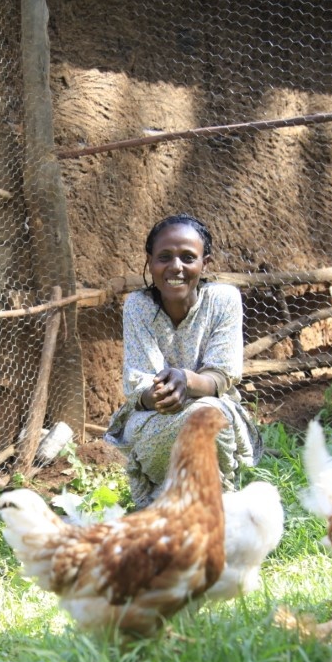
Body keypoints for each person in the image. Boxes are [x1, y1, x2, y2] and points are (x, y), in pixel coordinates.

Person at [105, 213, 262, 507]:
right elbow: (139, 387)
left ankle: (211, 502)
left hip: (213, 405)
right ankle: (165, 504)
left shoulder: (223, 300)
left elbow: (221, 376)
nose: (176, 267)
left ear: (205, 264)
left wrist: (185, 380)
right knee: (169, 426)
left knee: (204, 416)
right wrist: (160, 396)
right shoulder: (138, 306)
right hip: (155, 413)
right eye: (165, 257)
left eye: (188, 257)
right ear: (150, 262)